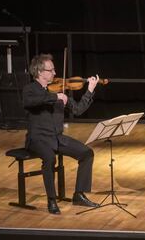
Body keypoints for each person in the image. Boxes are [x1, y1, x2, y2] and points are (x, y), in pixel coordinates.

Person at [23, 53, 100, 214]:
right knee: (49, 159)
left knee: (87, 153)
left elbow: (78, 110)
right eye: (51, 70)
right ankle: (51, 200)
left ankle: (79, 194)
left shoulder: (59, 91)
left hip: (57, 138)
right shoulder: (30, 90)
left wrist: (90, 90)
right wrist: (55, 97)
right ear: (40, 72)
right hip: (38, 139)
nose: (55, 73)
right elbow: (31, 102)